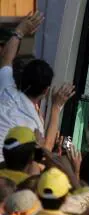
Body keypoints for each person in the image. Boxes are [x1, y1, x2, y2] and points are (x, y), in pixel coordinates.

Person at [0, 12, 75, 162]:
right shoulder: (34, 123)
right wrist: (56, 108)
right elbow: (45, 150)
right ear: (46, 91)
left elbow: (6, 59)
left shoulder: (6, 90)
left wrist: (20, 31)